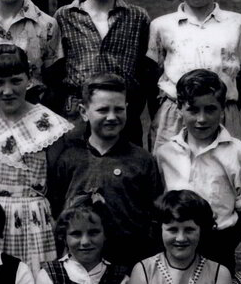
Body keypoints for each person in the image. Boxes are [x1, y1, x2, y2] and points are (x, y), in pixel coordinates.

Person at [0, 43, 72, 278]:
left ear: (29, 79)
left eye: (16, 81)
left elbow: (56, 185)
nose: (7, 91)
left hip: (34, 221)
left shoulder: (50, 124)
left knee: (33, 283)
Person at [147, 0, 241, 149]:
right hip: (174, 116)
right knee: (171, 175)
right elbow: (152, 83)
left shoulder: (238, 24)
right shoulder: (161, 26)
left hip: (222, 114)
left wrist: (227, 109)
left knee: (222, 174)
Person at [48, 73, 162, 270]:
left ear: (127, 109)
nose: (112, 117)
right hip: (79, 263)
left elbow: (154, 216)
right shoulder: (69, 159)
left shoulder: (142, 161)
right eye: (102, 110)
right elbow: (57, 209)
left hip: (128, 263)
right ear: (84, 112)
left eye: (118, 109)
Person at [155, 69, 241, 270]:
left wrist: (225, 242)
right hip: (176, 244)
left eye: (210, 109)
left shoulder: (240, 153)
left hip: (218, 245)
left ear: (222, 110)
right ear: (179, 109)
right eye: (193, 110)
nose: (201, 119)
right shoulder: (164, 153)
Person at [52, 0, 151, 143]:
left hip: (122, 115)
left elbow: (144, 74)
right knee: (76, 169)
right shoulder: (64, 16)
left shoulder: (137, 17)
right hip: (76, 115)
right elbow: (55, 72)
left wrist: (130, 106)